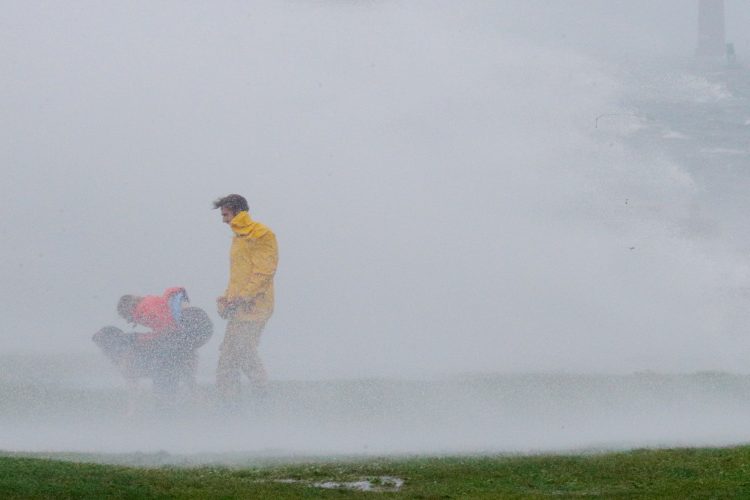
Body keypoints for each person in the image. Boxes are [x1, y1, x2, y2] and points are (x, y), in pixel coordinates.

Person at [93, 287, 213, 412]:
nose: (132, 322)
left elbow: (168, 330)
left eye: (129, 319)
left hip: (194, 323)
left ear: (129, 311)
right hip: (199, 323)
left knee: (166, 365)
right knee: (176, 368)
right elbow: (166, 332)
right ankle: (181, 403)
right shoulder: (149, 303)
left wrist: (138, 338)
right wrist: (143, 339)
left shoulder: (143, 309)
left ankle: (166, 405)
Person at [213, 194, 278, 408]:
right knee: (229, 359)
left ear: (238, 212)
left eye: (226, 215)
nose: (223, 220)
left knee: (242, 353)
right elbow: (238, 277)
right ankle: (231, 406)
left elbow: (264, 272)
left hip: (254, 308)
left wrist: (243, 298)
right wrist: (227, 299)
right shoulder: (238, 238)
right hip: (239, 309)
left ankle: (262, 401)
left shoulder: (261, 234)